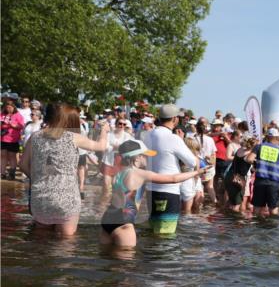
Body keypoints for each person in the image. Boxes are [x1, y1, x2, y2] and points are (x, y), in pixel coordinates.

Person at [19, 103, 109, 236]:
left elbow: (22, 165)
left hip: (41, 196)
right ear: (65, 119)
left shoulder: (35, 137)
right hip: (67, 197)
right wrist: (104, 131)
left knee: (40, 241)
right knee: (66, 242)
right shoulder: (73, 137)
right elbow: (101, 146)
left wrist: (37, 178)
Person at [99, 141, 203, 247]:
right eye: (145, 156)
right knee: (126, 262)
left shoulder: (118, 172)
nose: (148, 158)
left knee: (107, 256)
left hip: (108, 218)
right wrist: (197, 172)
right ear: (137, 157)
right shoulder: (140, 174)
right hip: (124, 223)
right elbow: (173, 179)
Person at [144, 104, 198, 235]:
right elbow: (192, 162)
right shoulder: (173, 138)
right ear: (175, 119)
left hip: (150, 189)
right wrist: (181, 141)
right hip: (168, 191)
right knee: (166, 233)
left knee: (153, 229)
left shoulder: (148, 135)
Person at [251, 128, 279, 217]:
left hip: (260, 181)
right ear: (276, 137)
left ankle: (255, 229)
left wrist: (256, 166)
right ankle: (272, 229)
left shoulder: (259, 146)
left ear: (267, 136)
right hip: (274, 183)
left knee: (257, 209)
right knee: (273, 210)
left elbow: (249, 159)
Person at [224, 136, 256, 212]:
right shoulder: (250, 154)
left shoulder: (239, 149)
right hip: (238, 179)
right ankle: (235, 222)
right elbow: (254, 167)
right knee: (236, 205)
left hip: (229, 176)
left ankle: (225, 220)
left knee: (230, 202)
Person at [1, 99, 26, 180]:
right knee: (2, 156)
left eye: (10, 107)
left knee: (12, 156)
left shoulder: (18, 115)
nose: (8, 109)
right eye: (7, 107)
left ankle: (12, 173)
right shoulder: (2, 114)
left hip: (13, 139)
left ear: (13, 107)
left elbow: (21, 126)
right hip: (2, 138)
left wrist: (13, 125)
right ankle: (2, 173)